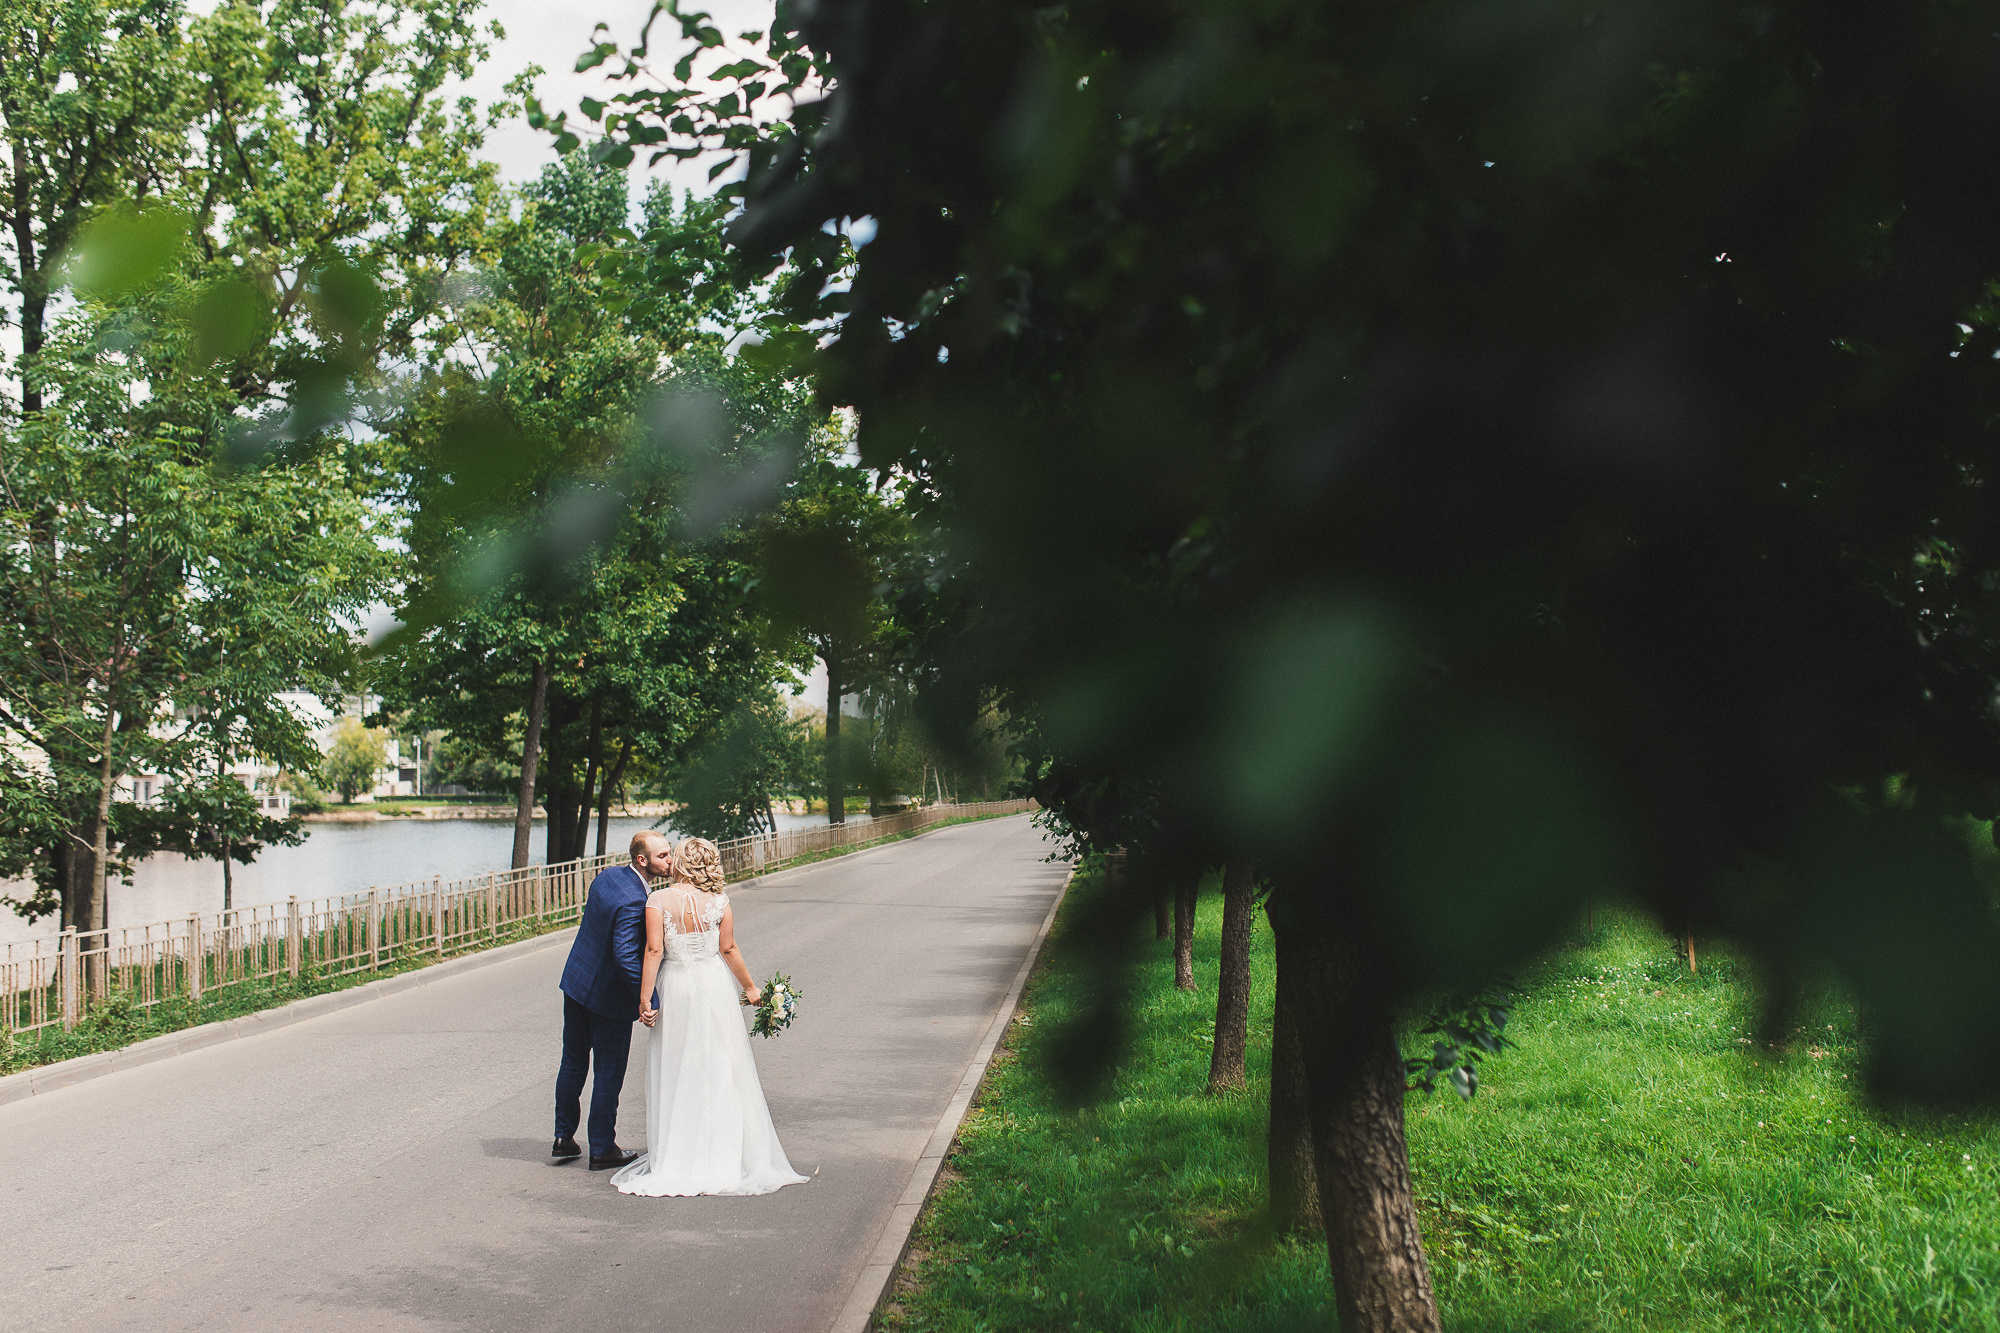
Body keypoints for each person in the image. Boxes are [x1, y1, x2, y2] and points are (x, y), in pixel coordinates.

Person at [610, 835, 809, 1197]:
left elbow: (654, 950)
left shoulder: (657, 900)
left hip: (676, 987)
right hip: (713, 984)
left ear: (681, 862)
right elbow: (728, 947)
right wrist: (750, 988)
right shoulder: (719, 901)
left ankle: (679, 1153)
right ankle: (725, 1152)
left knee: (675, 1064)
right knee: (720, 1063)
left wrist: (645, 1000)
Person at [552, 830, 674, 1171]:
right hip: (608, 998)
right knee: (608, 1072)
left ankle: (563, 1137)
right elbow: (624, 956)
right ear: (642, 860)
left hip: (577, 982)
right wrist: (647, 996)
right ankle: (602, 1147)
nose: (670, 860)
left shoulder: (608, 877)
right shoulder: (636, 899)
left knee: (573, 1062)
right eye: (663, 856)